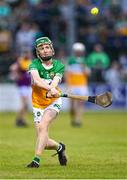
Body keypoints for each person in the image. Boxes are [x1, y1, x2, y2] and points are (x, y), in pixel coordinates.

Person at [27, 37, 67, 168]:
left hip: (53, 102)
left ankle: (36, 160)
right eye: (41, 48)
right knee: (42, 139)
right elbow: (37, 81)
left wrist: (53, 88)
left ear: (52, 50)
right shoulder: (34, 65)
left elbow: (56, 80)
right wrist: (51, 88)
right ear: (38, 52)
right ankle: (59, 147)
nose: (45, 50)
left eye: (47, 47)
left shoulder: (59, 66)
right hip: (38, 104)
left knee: (43, 126)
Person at [65, 42, 91, 127]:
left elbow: (88, 74)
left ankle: (78, 120)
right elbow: (67, 73)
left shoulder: (85, 61)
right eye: (77, 50)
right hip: (72, 85)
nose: (79, 52)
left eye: (80, 50)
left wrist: (83, 66)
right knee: (73, 105)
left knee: (80, 103)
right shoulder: (70, 60)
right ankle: (73, 119)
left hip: (82, 85)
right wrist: (68, 85)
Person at [10, 49, 32, 127]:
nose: (28, 55)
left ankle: (22, 119)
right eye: (27, 53)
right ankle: (19, 119)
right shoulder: (21, 61)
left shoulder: (29, 61)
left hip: (27, 85)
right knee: (24, 104)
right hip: (22, 86)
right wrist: (17, 76)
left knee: (26, 104)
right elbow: (12, 68)